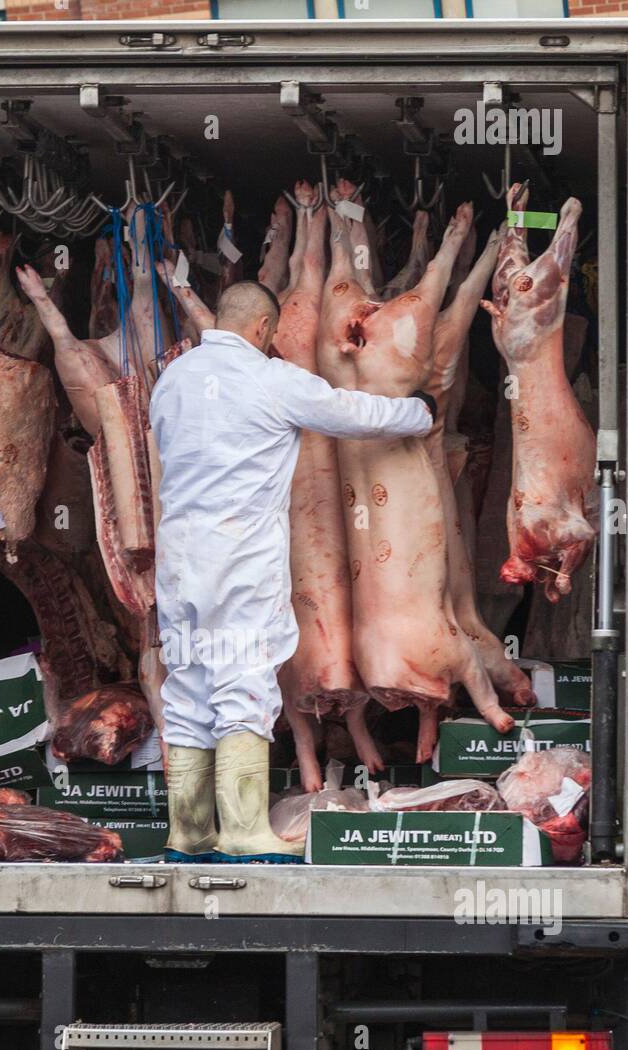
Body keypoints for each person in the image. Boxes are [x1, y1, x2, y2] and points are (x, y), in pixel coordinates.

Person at [150, 280, 436, 863]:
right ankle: (246, 832)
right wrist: (418, 412)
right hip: (239, 555)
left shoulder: (171, 380)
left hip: (178, 555)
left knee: (187, 683)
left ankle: (189, 834)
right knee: (244, 681)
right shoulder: (269, 378)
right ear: (262, 330)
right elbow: (349, 412)